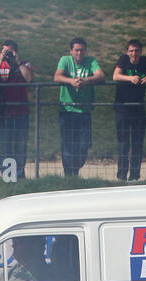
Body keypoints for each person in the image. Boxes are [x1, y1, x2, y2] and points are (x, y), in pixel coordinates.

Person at [54, 37, 104, 177]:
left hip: (84, 110)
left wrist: (86, 81)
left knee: (83, 145)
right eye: (76, 50)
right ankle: (69, 174)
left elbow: (101, 75)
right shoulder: (65, 60)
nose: (79, 53)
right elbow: (57, 76)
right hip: (67, 110)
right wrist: (71, 81)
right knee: (67, 143)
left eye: (81, 50)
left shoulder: (91, 61)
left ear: (85, 51)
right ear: (71, 51)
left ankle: (75, 167)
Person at [112, 39, 146, 182]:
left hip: (138, 108)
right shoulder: (123, 59)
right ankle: (122, 175)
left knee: (137, 143)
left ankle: (135, 176)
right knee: (123, 143)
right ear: (127, 52)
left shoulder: (145, 61)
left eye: (136, 50)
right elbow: (115, 75)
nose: (134, 53)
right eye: (131, 50)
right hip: (122, 107)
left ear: (141, 52)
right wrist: (130, 78)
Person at [0, 40, 33, 181]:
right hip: (4, 113)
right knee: (5, 146)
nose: (8, 55)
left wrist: (17, 62)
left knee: (20, 145)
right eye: (5, 51)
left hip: (21, 112)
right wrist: (1, 60)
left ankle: (19, 175)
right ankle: (7, 176)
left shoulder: (24, 65)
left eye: (10, 52)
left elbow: (29, 79)